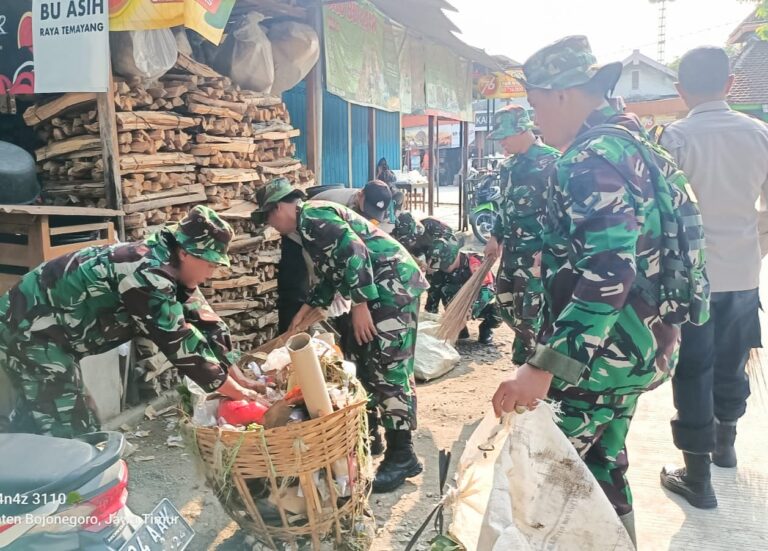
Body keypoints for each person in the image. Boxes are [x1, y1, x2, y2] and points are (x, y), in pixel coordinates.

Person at [490, 36, 707, 544]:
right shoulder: (636, 145)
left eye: (537, 104)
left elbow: (610, 268)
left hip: (598, 359)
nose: (536, 119)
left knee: (545, 479)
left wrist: (544, 365)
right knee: (603, 467)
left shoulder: (590, 158)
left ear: (563, 94)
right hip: (637, 349)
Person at [0, 206, 263, 438]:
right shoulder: (147, 276)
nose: (211, 273)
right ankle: (65, 491)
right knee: (71, 424)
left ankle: (22, 465)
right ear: (185, 253)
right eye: (210, 265)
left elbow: (207, 322)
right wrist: (239, 394)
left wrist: (239, 378)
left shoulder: (171, 264)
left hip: (46, 333)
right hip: (27, 329)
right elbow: (182, 345)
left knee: (41, 414)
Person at [252, 178, 429, 493]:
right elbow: (331, 274)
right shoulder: (308, 226)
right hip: (379, 290)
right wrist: (306, 310)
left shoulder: (314, 217)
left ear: (279, 207)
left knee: (389, 368)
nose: (270, 225)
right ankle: (371, 436)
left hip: (392, 288)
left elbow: (355, 251)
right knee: (364, 361)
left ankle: (403, 455)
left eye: (268, 217)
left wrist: (360, 304)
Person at [657, 46, 768, 509]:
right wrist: (753, 247)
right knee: (732, 362)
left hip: (693, 280)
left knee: (694, 369)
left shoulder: (675, 138)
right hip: (743, 274)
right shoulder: (760, 134)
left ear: (682, 90)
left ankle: (697, 476)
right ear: (729, 86)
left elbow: (661, 216)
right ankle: (725, 447)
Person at [483, 104, 561, 365]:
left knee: (530, 314)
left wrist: (550, 249)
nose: (501, 143)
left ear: (521, 130)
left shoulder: (553, 162)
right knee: (507, 307)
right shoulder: (508, 167)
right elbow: (503, 206)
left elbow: (561, 213)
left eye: (504, 137)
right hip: (512, 254)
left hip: (537, 257)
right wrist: (495, 237)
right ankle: (526, 361)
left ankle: (531, 369)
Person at [277, 181, 393, 333]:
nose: (368, 216)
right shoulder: (328, 209)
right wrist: (357, 302)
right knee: (300, 289)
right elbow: (330, 260)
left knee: (342, 292)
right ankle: (294, 332)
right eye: (367, 210)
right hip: (302, 239)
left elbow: (359, 249)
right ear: (360, 195)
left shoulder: (371, 207)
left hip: (337, 246)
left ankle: (334, 323)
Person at [392, 212, 501, 344]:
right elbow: (432, 299)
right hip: (453, 308)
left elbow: (488, 290)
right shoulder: (438, 272)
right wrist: (429, 325)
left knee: (500, 308)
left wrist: (470, 310)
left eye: (447, 264)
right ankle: (460, 330)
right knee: (444, 289)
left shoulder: (475, 263)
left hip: (477, 306)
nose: (445, 268)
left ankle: (486, 328)